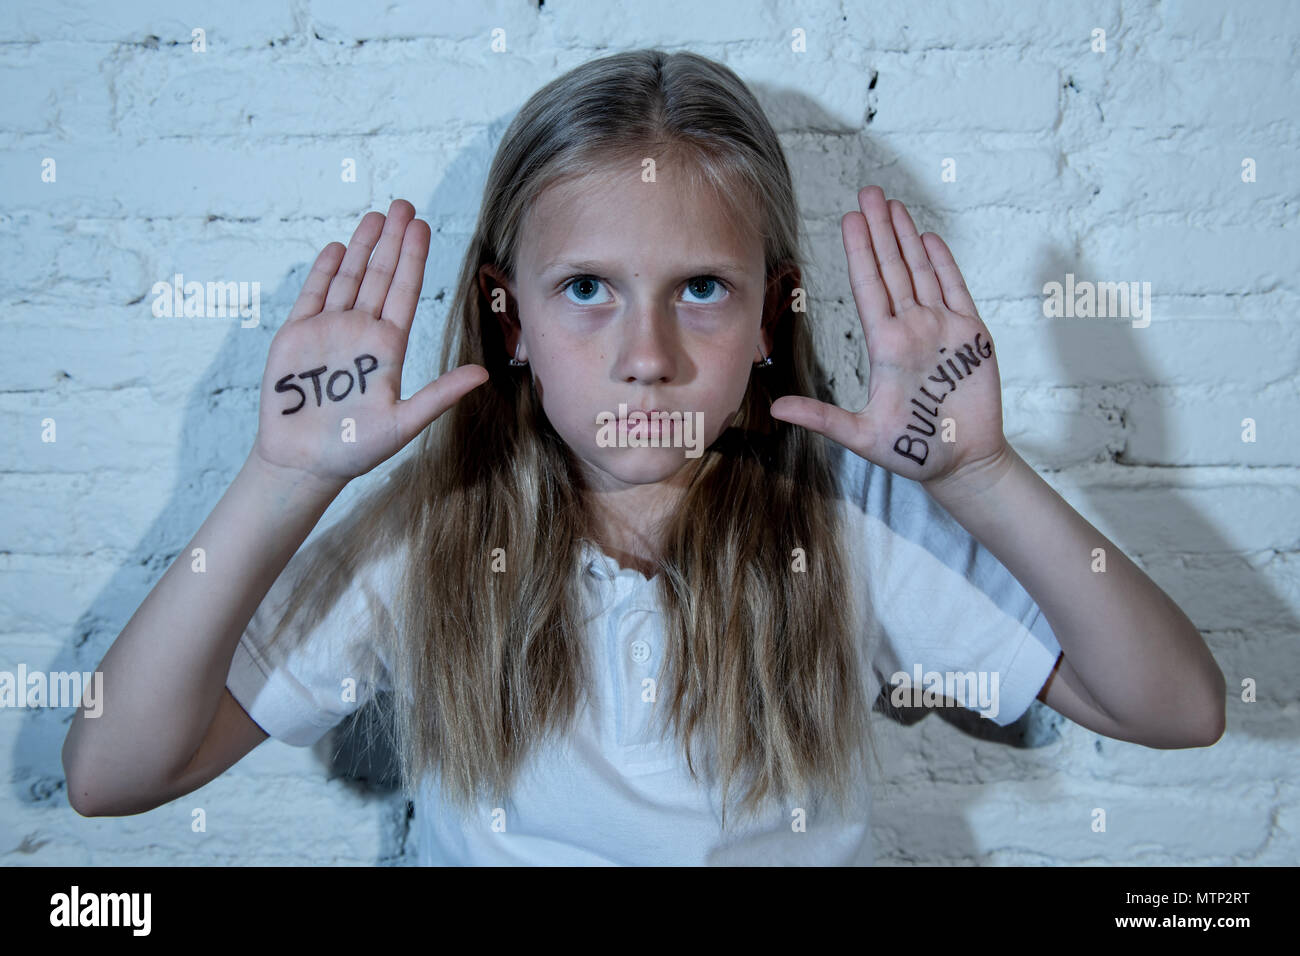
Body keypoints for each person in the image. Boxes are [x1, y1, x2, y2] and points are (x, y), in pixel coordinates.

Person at [62, 48, 1225, 865]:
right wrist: (282, 480)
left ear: (772, 315)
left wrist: (982, 478)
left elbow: (1175, 707)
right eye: (586, 291)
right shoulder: (434, 523)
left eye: (701, 291)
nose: (647, 356)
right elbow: (114, 773)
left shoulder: (847, 513)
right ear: (506, 313)